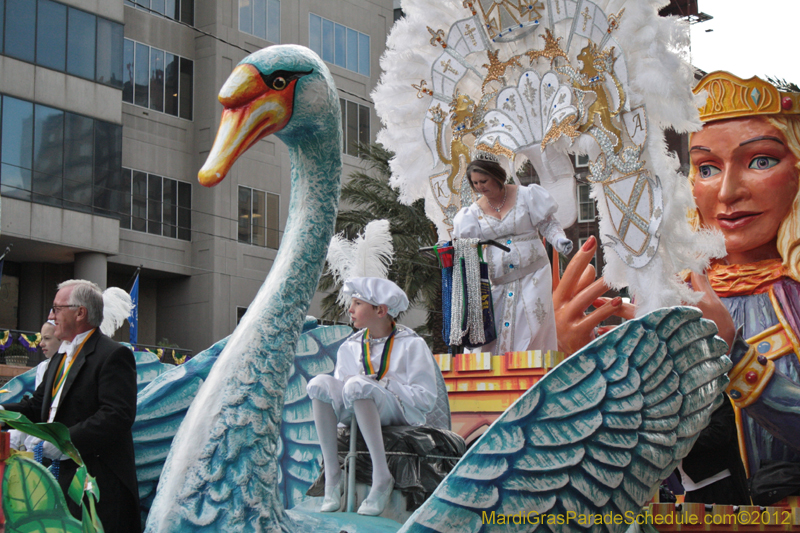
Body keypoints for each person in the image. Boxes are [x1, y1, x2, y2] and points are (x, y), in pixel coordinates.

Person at [686, 71, 800, 487]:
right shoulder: (682, 291)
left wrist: (737, 358)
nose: (727, 192)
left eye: (761, 161)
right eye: (708, 168)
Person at [1, 280, 140, 531]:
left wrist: (65, 441)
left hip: (97, 486)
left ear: (80, 313)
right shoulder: (60, 357)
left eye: (56, 309)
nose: (50, 316)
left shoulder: (113, 355)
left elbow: (117, 415)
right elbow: (36, 406)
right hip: (60, 480)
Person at [306, 277, 439, 516]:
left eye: (357, 303)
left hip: (400, 412)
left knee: (358, 384)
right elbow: (341, 389)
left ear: (381, 310)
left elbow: (425, 399)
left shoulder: (411, 344)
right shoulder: (351, 346)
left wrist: (384, 385)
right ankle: (333, 477)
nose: (350, 309)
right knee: (319, 383)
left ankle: (382, 477)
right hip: (359, 407)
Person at [452, 156, 573, 354]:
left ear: (497, 176)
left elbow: (548, 224)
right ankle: (495, 374)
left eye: (484, 181)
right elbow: (467, 247)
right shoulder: (471, 213)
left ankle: (531, 370)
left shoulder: (527, 195)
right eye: (475, 183)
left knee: (533, 323)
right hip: (497, 280)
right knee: (495, 328)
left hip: (534, 274)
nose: (480, 187)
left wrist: (559, 240)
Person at [8, 320, 61, 451]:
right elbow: (37, 405)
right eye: (41, 338)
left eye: (47, 338)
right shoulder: (43, 367)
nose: (41, 344)